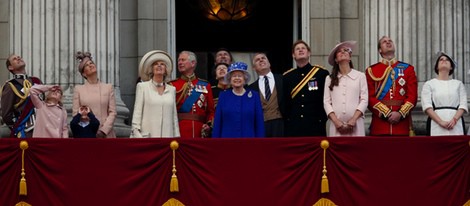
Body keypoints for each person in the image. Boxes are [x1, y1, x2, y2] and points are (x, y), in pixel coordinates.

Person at [365, 36, 418, 136]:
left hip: (401, 125)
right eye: (384, 42)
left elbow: (412, 96)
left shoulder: (408, 69)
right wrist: (386, 113)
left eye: (390, 41)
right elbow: (369, 97)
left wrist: (400, 114)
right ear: (380, 50)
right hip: (380, 126)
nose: (388, 42)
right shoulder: (371, 71)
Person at [283, 40, 330, 137]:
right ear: (293, 55)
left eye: (303, 48)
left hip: (315, 125)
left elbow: (326, 99)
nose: (300, 50)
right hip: (294, 126)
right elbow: (285, 102)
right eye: (297, 49)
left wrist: (322, 118)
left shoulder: (321, 73)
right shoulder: (287, 76)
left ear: (309, 53)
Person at [131, 50, 180, 138]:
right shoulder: (143, 87)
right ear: (151, 69)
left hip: (167, 139)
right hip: (147, 139)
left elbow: (174, 117)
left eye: (162, 64)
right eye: (156, 64)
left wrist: (176, 137)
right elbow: (137, 114)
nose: (159, 66)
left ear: (166, 70)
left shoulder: (172, 89)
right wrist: (137, 134)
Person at [323, 41, 368, 136]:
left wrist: (353, 120)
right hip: (336, 127)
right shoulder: (329, 78)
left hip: (356, 125)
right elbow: (326, 102)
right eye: (339, 51)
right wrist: (336, 122)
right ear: (335, 59)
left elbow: (364, 100)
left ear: (350, 57)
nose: (343, 52)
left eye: (346, 50)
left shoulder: (360, 76)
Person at [212, 62, 265, 138]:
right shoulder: (223, 96)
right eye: (234, 76)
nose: (237, 78)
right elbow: (217, 122)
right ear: (230, 80)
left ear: (245, 79)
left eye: (240, 76)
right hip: (227, 142)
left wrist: (260, 143)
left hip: (249, 141)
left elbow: (259, 122)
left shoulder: (254, 96)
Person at [170, 51, 215, 138]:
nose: (180, 63)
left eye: (183, 60)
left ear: (193, 63)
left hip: (200, 131)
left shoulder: (205, 85)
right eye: (179, 60)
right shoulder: (172, 85)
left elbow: (211, 111)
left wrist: (208, 125)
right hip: (179, 130)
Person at [421, 51, 467, 136]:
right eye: (441, 59)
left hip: (456, 123)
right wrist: (440, 121)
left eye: (447, 60)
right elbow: (427, 106)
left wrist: (454, 120)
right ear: (437, 67)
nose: (444, 61)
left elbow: (463, 105)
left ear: (451, 67)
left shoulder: (458, 84)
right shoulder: (429, 84)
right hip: (436, 122)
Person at [73, 51, 117, 138]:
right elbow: (76, 114)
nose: (90, 65)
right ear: (84, 73)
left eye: (91, 63)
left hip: (106, 134)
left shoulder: (108, 87)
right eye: (86, 65)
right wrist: (88, 130)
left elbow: (113, 112)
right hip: (87, 135)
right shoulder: (79, 89)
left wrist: (103, 131)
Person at [1, 54, 43, 138]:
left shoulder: (36, 81)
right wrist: (17, 127)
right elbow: (6, 114)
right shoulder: (11, 85)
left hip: (43, 126)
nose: (18, 58)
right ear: (10, 67)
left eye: (19, 57)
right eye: (15, 59)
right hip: (26, 130)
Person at [248, 52, 284, 137]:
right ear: (254, 68)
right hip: (261, 125)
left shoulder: (283, 79)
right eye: (257, 60)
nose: (261, 60)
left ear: (269, 63)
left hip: (281, 124)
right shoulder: (250, 88)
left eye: (263, 58)